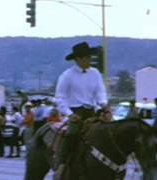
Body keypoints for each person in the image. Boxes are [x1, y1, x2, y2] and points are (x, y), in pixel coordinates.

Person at [54, 42, 107, 178]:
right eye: (86, 58)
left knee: (109, 133)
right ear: (77, 59)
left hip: (92, 111)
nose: (89, 60)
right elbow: (59, 98)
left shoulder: (95, 73)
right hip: (75, 112)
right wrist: (70, 114)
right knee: (71, 135)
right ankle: (62, 165)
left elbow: (100, 91)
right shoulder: (67, 75)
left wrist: (103, 104)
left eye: (89, 57)